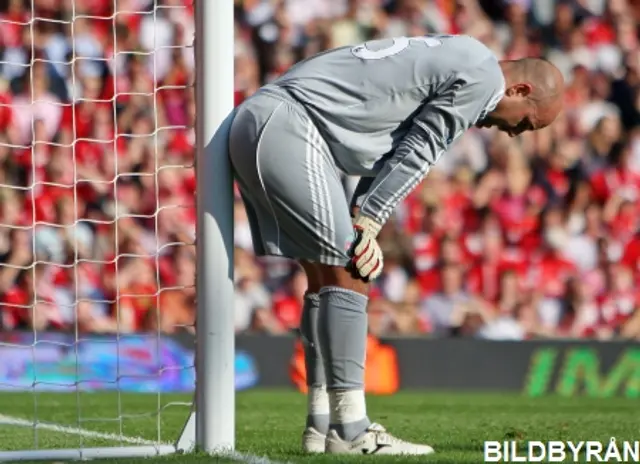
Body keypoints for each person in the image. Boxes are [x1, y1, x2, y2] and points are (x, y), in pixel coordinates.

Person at [226, 34, 564, 456]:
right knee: (353, 270)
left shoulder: (463, 53)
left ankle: (322, 424)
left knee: (323, 276)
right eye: (525, 122)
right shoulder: (482, 79)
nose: (514, 134)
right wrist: (369, 219)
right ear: (519, 90)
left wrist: (363, 212)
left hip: (266, 120)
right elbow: (419, 149)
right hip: (290, 126)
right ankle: (352, 431)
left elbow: (392, 147)